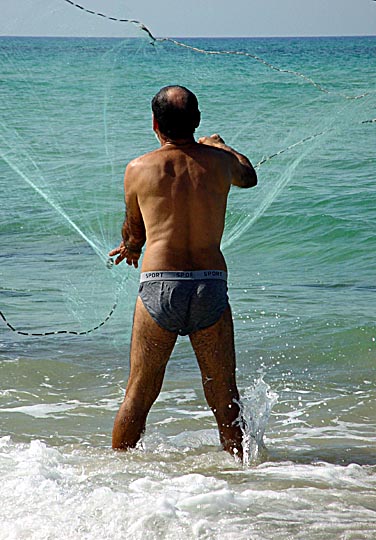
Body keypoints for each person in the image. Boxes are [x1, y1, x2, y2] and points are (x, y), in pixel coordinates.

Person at [109, 85, 257, 458]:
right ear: (198, 121)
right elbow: (249, 176)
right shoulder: (221, 162)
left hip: (160, 285)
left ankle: (115, 473)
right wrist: (220, 145)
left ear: (155, 123)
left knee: (140, 392)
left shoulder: (138, 168)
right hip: (210, 285)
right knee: (224, 393)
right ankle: (242, 474)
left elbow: (135, 231)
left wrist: (130, 248)